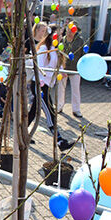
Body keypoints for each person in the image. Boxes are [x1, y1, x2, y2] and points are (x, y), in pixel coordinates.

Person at [28, 22, 75, 151]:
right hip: (39, 85)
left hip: (47, 85)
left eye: (61, 35)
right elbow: (40, 68)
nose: (61, 37)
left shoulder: (56, 49)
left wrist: (61, 71)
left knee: (32, 112)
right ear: (52, 35)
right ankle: (59, 141)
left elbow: (57, 64)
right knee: (50, 112)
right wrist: (54, 72)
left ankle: (22, 135)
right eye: (58, 34)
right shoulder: (44, 49)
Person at [58, 21, 84, 118]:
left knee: (76, 90)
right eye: (69, 30)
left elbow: (82, 54)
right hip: (63, 68)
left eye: (73, 30)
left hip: (75, 69)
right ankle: (59, 106)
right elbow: (59, 54)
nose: (70, 32)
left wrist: (82, 67)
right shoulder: (62, 40)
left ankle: (76, 109)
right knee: (61, 88)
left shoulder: (80, 40)